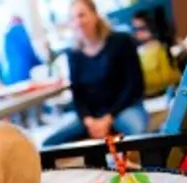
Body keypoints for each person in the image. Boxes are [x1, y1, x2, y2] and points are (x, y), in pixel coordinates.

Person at [42, 0, 147, 146]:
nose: (78, 22)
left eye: (82, 15)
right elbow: (77, 93)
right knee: (49, 144)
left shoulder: (121, 41)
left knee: (140, 137)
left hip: (123, 108)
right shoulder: (73, 54)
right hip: (91, 115)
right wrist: (88, 120)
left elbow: (135, 86)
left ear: (95, 15)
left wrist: (108, 119)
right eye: (73, 18)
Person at [132, 11, 180, 97]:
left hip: (161, 94)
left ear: (151, 26)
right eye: (135, 29)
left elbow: (170, 78)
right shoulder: (136, 50)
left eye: (141, 28)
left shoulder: (162, 47)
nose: (137, 33)